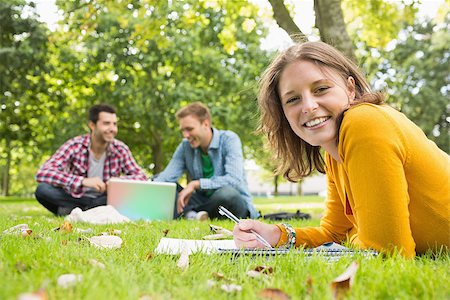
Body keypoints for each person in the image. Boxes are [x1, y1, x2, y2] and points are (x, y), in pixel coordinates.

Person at [233, 41, 450, 258]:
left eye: (321, 89)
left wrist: (356, 235)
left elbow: (389, 252)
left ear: (350, 88)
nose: (308, 106)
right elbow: (334, 233)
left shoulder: (364, 123)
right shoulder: (334, 154)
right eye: (293, 99)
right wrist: (276, 235)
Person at [35, 104, 147, 216]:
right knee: (43, 190)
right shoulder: (75, 145)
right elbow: (43, 173)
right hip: (76, 197)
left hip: (103, 199)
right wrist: (82, 181)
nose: (112, 129)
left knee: (124, 197)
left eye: (114, 124)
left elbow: (141, 177)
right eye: (106, 123)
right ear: (92, 125)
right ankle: (87, 211)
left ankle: (75, 211)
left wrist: (116, 181)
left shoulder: (120, 149)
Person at [153, 102, 258, 220]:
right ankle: (195, 215)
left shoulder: (229, 139)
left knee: (227, 194)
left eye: (189, 129)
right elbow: (166, 177)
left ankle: (190, 213)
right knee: (160, 182)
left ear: (206, 124)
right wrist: (150, 186)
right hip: (201, 201)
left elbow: (233, 179)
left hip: (230, 201)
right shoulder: (185, 146)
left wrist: (195, 184)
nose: (185, 135)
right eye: (183, 130)